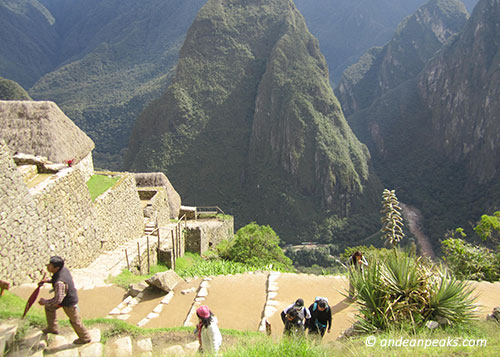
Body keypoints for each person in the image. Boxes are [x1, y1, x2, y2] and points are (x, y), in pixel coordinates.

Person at [38, 256, 91, 345]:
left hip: (68, 302)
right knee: (49, 308)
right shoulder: (63, 270)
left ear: (56, 268)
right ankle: (52, 328)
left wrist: (45, 302)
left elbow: (58, 300)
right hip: (64, 298)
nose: (47, 266)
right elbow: (55, 281)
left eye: (50, 265)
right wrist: (47, 281)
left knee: (75, 320)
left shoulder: (59, 283)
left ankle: (85, 337)